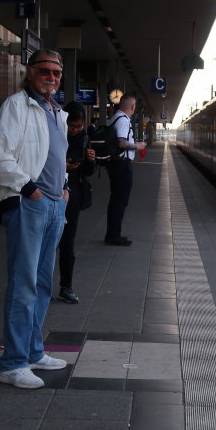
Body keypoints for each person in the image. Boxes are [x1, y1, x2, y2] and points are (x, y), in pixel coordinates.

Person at [0, 49, 70, 389]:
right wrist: (29, 188)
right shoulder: (16, 106)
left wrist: (63, 189)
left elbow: (56, 157)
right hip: (28, 204)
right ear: (30, 72)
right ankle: (13, 362)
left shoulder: (57, 111)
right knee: (24, 284)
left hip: (54, 204)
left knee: (43, 283)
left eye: (57, 73)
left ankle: (33, 351)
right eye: (45, 71)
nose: (51, 77)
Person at [57, 101, 95, 304]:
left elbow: (88, 173)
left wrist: (90, 160)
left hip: (73, 195)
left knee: (67, 243)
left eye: (79, 126)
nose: (75, 130)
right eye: (72, 125)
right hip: (51, 192)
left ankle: (66, 286)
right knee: (45, 243)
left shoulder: (84, 138)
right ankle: (38, 285)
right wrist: (63, 165)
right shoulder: (55, 135)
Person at [104, 93, 145, 246]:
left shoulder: (114, 117)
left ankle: (112, 233)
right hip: (121, 165)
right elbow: (121, 143)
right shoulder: (123, 120)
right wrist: (138, 146)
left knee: (116, 200)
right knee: (120, 201)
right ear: (133, 107)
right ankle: (114, 235)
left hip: (116, 164)